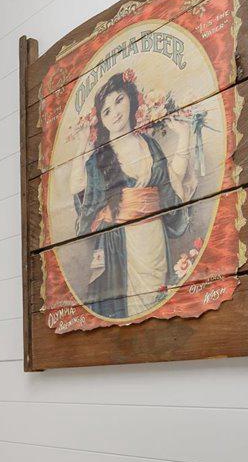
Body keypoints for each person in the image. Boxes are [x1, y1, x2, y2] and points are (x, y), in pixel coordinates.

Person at [68, 71, 198, 318]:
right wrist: (82, 144)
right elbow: (78, 188)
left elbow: (170, 181)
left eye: (118, 101)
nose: (114, 112)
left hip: (154, 237)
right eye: (106, 111)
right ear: (102, 121)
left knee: (157, 304)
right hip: (121, 245)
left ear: (130, 98)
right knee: (131, 311)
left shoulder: (149, 144)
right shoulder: (101, 158)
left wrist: (184, 137)